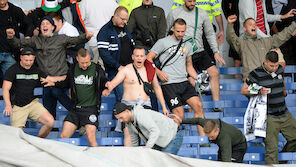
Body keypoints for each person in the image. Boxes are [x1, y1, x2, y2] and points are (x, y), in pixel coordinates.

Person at [6, 16, 94, 119]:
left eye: (47, 23)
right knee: (49, 108)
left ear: (53, 27)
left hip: (62, 78)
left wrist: (86, 36)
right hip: (46, 79)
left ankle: (78, 115)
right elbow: (18, 44)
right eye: (42, 24)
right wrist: (11, 37)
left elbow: (76, 39)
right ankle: (52, 128)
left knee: (55, 91)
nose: (44, 25)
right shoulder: (36, 41)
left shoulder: (61, 38)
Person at [147, 18, 205, 136]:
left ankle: (203, 140)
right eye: (177, 31)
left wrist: (198, 78)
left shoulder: (188, 44)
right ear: (173, 29)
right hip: (169, 83)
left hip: (184, 82)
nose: (180, 34)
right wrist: (158, 72)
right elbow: (148, 59)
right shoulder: (162, 42)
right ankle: (172, 139)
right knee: (179, 114)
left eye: (182, 31)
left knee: (198, 106)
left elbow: (189, 65)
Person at [167, 0, 226, 112]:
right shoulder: (174, 13)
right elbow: (166, 32)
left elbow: (209, 33)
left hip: (199, 50)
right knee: (190, 80)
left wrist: (215, 52)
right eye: (190, 1)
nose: (193, 3)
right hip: (183, 53)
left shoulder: (202, 13)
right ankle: (190, 110)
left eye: (194, 1)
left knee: (214, 72)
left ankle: (217, 105)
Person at [44, 48, 109, 147]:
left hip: (90, 109)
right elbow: (66, 83)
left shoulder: (97, 69)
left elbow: (104, 82)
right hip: (75, 109)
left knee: (91, 138)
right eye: (82, 62)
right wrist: (54, 83)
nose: (85, 65)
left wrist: (105, 89)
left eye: (87, 62)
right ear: (77, 58)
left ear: (90, 59)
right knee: (63, 136)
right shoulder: (73, 68)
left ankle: (96, 161)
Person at [105, 47, 169, 146]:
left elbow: (157, 88)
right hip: (128, 105)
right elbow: (114, 83)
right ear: (133, 57)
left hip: (145, 104)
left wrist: (164, 107)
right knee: (128, 133)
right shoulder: (126, 70)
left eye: (142, 56)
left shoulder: (150, 69)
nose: (139, 58)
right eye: (137, 56)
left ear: (145, 57)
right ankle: (129, 158)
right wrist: (108, 88)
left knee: (148, 132)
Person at [241, 51, 296, 164]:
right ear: (265, 61)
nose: (274, 68)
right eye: (271, 65)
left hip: (284, 113)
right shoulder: (256, 73)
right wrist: (258, 91)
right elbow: (243, 90)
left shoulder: (280, 69)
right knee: (271, 151)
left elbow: (281, 81)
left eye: (276, 65)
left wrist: (284, 91)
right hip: (269, 117)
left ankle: (282, 161)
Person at [2, 48, 55, 138]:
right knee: (17, 135)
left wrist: (67, 78)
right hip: (18, 106)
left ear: (34, 58)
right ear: (21, 58)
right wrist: (8, 105)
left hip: (32, 103)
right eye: (26, 60)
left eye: (31, 60)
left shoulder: (36, 70)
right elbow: (5, 88)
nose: (28, 63)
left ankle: (39, 141)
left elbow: (50, 79)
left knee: (50, 122)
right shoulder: (12, 70)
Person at [226, 15, 296, 80]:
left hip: (265, 81)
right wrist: (230, 24)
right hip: (251, 82)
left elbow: (282, 36)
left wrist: (294, 24)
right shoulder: (242, 43)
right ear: (244, 28)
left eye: (255, 25)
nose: (253, 26)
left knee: (272, 88)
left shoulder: (265, 41)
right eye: (250, 25)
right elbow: (231, 38)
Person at [127, 0, 167, 111]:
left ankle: (155, 110)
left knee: (155, 85)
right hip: (141, 51)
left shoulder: (159, 11)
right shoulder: (135, 12)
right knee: (144, 84)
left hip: (156, 53)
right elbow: (129, 32)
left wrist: (155, 51)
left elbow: (162, 34)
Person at [113, 102, 183, 155]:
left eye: (121, 117)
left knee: (165, 164)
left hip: (172, 136)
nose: (121, 121)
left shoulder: (141, 115)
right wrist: (134, 154)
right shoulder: (128, 122)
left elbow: (155, 131)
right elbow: (134, 140)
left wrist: (147, 147)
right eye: (119, 119)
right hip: (159, 140)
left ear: (127, 112)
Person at [97, 6, 135, 103]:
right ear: (115, 16)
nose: (125, 22)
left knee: (132, 98)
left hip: (130, 68)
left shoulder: (124, 27)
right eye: (122, 19)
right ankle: (118, 118)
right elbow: (104, 54)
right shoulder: (105, 31)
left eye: (126, 19)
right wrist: (118, 66)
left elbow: (131, 45)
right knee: (123, 99)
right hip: (116, 71)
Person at [173, 115, 247, 162]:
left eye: (212, 136)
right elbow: (197, 120)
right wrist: (181, 121)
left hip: (238, 146)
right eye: (208, 137)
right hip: (226, 143)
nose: (210, 139)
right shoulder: (207, 123)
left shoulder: (224, 139)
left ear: (217, 130)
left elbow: (226, 163)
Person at [0, 0, 33, 79]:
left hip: (11, 54)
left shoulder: (15, 10)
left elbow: (29, 24)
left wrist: (27, 38)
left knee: (13, 81)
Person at [79, 0, 118, 67]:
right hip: (107, 42)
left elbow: (79, 21)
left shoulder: (85, 2)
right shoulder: (112, 3)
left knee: (90, 71)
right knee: (105, 69)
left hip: (91, 41)